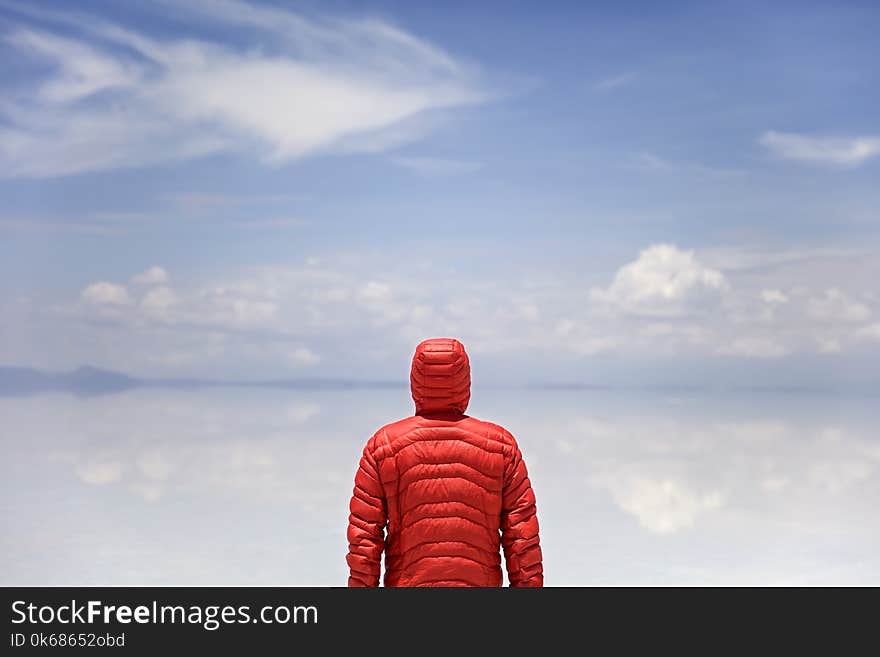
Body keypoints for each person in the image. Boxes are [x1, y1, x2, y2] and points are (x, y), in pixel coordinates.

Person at [346, 337, 543, 587]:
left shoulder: (383, 445)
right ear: (465, 382)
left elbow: (364, 541)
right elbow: (522, 538)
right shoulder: (502, 445)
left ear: (415, 382)